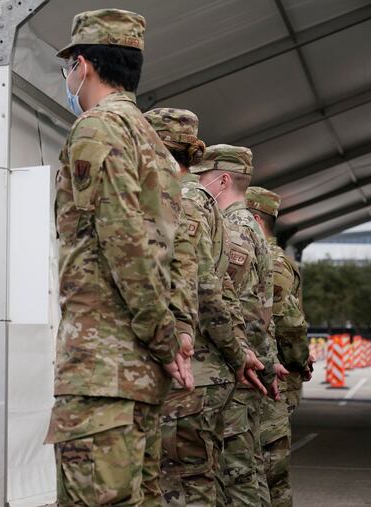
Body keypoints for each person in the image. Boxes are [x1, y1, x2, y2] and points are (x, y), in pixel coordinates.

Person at [45, 10, 193, 506]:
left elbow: (125, 243)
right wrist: (172, 338)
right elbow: (176, 254)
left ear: (82, 66)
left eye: (69, 67)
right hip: (136, 375)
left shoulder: (97, 129)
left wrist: (164, 338)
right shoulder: (153, 142)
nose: (69, 77)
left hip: (103, 372)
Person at [144, 110, 266, 506]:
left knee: (185, 486)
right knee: (200, 480)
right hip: (204, 369)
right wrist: (242, 350)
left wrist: (237, 351)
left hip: (193, 368)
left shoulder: (185, 199)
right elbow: (225, 286)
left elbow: (203, 286)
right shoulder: (202, 201)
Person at [194, 145, 278, 505]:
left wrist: (251, 360)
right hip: (248, 366)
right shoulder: (252, 228)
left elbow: (239, 306)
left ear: (223, 179)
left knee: (236, 476)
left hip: (237, 368)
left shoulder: (234, 229)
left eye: (202, 177)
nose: (196, 184)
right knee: (247, 471)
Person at [247, 186, 312, 507]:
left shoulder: (272, 262)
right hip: (259, 374)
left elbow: (288, 321)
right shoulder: (262, 257)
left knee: (270, 470)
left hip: (273, 377)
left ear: (256, 219)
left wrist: (299, 361)